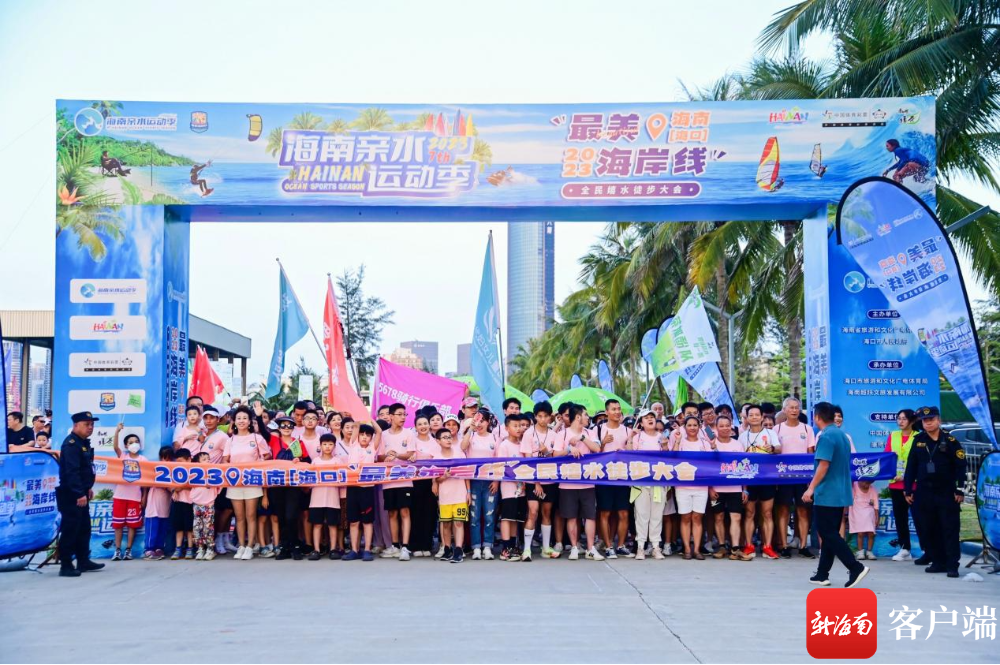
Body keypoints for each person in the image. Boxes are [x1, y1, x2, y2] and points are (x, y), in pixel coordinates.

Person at [803, 402, 870, 588]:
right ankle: (822, 574)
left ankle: (855, 567)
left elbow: (823, 465)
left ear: (817, 417)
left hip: (827, 492)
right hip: (840, 491)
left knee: (827, 532)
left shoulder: (826, 436)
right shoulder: (842, 435)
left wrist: (811, 488)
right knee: (830, 533)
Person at [904, 406, 966, 578]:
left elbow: (961, 466)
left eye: (931, 419)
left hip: (946, 492)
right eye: (925, 420)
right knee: (929, 527)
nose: (928, 423)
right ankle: (938, 562)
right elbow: (911, 466)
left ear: (939, 420)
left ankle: (952, 564)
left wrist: (960, 489)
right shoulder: (919, 440)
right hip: (924, 492)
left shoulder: (951, 441)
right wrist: (908, 489)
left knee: (949, 528)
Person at [57, 412, 105, 577]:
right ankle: (65, 565)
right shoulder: (71, 444)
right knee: (71, 529)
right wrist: (79, 493)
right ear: (76, 425)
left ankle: (83, 560)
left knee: (84, 528)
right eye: (86, 424)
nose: (90, 427)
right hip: (71, 494)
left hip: (81, 492)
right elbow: (72, 472)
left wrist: (87, 488)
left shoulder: (83, 443)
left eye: (92, 425)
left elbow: (86, 469)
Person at [554, 405, 604, 561]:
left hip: (587, 482)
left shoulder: (590, 433)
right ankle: (574, 547)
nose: (588, 418)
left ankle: (590, 548)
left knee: (590, 516)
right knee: (571, 516)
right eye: (586, 415)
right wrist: (569, 449)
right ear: (577, 417)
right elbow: (555, 454)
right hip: (567, 482)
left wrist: (582, 438)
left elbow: (597, 449)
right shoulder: (562, 434)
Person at [222, 405, 270, 560]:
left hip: (252, 481)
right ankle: (241, 546)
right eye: (238, 418)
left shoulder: (257, 438)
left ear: (250, 421)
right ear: (234, 421)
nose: (241, 421)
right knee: (239, 516)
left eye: (244, 418)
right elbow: (225, 460)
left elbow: (267, 456)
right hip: (235, 483)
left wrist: (258, 463)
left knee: (251, 515)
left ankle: (250, 546)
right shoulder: (230, 440)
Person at [774, 397, 817, 559]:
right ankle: (784, 545)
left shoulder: (807, 429)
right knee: (783, 510)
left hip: (802, 477)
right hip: (783, 476)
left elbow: (811, 454)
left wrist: (810, 478)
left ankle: (803, 546)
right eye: (790, 407)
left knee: (803, 511)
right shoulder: (777, 429)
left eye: (796, 407)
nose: (794, 410)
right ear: (784, 410)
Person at [738, 405, 781, 561]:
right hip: (749, 479)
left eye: (757, 414)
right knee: (749, 513)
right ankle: (749, 545)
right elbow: (739, 460)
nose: (754, 417)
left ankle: (767, 547)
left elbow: (779, 449)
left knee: (767, 513)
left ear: (762, 417)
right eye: (751, 415)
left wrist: (772, 449)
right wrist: (743, 487)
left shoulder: (770, 433)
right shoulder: (742, 436)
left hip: (767, 478)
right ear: (747, 417)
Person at [672, 415, 713, 560]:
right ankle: (687, 549)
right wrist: (677, 441)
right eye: (689, 425)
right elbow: (673, 457)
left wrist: (713, 445)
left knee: (697, 517)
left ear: (699, 427)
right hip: (682, 486)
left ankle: (696, 549)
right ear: (685, 427)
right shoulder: (681, 441)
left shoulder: (704, 443)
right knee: (685, 517)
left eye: (695, 425)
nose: (692, 428)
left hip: (701, 485)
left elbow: (712, 462)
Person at [629, 409, 668, 560]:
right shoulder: (638, 437)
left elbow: (668, 458)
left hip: (658, 481)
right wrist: (630, 437)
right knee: (641, 515)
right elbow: (629, 455)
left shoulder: (662, 437)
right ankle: (640, 547)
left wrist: (665, 446)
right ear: (641, 422)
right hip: (641, 482)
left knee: (656, 516)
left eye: (652, 417)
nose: (650, 419)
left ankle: (656, 547)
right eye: (646, 418)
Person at [595, 399, 631, 558]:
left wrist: (625, 450)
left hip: (622, 477)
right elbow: (593, 453)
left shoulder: (627, 430)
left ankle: (621, 545)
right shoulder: (598, 429)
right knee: (605, 513)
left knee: (623, 513)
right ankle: (608, 546)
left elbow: (632, 452)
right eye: (613, 409)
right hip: (604, 477)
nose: (617, 412)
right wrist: (603, 443)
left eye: (618, 409)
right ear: (607, 412)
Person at [379, 403, 415, 561]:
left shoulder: (409, 433)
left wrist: (397, 455)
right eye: (399, 414)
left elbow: (411, 454)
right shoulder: (383, 435)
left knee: (405, 511)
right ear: (391, 416)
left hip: (405, 479)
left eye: (404, 414)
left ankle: (405, 547)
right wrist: (387, 455)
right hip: (388, 480)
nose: (403, 417)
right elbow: (379, 456)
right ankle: (394, 545)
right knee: (392, 512)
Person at [461, 408, 498, 560]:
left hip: (490, 481)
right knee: (474, 516)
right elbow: (462, 447)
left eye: (483, 421)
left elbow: (499, 461)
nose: (480, 424)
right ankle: (476, 547)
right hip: (474, 481)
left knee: (489, 516)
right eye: (478, 420)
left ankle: (487, 546)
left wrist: (496, 481)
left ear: (488, 422)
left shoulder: (494, 438)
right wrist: (470, 429)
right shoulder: (471, 436)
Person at [525, 401, 560, 559]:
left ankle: (546, 548)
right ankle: (527, 549)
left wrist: (546, 452)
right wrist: (536, 483)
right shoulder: (528, 434)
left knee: (547, 513)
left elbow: (555, 458)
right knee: (533, 512)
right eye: (539, 416)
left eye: (546, 416)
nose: (543, 419)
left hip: (550, 480)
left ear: (550, 417)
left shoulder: (554, 435)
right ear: (535, 417)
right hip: (533, 481)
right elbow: (528, 461)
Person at [710, 415, 748, 560]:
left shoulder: (738, 444)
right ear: (716, 428)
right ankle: (721, 547)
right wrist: (710, 488)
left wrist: (745, 489)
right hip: (717, 488)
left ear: (731, 426)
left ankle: (735, 548)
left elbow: (744, 467)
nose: (725, 428)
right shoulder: (711, 444)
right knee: (718, 517)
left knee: (736, 517)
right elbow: (706, 467)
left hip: (735, 487)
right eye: (721, 426)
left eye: (727, 425)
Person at [110, 422, 148, 561]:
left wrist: (144, 496)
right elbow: (115, 447)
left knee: (133, 525)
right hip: (120, 496)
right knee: (118, 525)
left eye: (136, 442)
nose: (134, 444)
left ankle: (128, 550)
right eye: (131, 442)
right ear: (126, 446)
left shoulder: (143, 460)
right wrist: (117, 431)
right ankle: (117, 550)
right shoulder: (123, 457)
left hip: (135, 497)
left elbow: (146, 480)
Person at [344, 422, 381, 562]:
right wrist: (359, 420)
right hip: (352, 487)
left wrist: (369, 418)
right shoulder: (353, 445)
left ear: (371, 438)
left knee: (367, 521)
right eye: (362, 434)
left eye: (368, 435)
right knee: (354, 521)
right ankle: (354, 550)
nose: (364, 437)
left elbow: (379, 431)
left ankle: (367, 550)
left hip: (367, 488)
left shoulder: (372, 448)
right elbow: (356, 426)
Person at [885, 408, 919, 561]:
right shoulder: (893, 435)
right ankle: (905, 549)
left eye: (904, 419)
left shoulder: (919, 437)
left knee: (920, 518)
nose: (900, 421)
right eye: (898, 418)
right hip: (896, 484)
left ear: (912, 421)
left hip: (913, 485)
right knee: (900, 518)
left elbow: (920, 461)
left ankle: (928, 549)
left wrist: (906, 477)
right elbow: (887, 457)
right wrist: (891, 474)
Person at [432, 427, 468, 563]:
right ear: (438, 441)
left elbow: (467, 474)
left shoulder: (460, 454)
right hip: (445, 496)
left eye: (449, 437)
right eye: (445, 438)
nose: (448, 440)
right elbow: (437, 479)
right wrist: (445, 476)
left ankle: (458, 550)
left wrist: (469, 492)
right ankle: (447, 549)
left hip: (460, 493)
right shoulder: (436, 458)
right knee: (446, 524)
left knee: (458, 522)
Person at [497, 414, 528, 561]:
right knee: (507, 517)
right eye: (515, 426)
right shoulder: (504, 445)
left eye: (520, 426)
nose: (518, 429)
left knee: (515, 518)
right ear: (507, 428)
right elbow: (502, 467)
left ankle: (513, 545)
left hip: (522, 487)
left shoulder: (523, 445)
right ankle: (505, 548)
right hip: (509, 487)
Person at [308, 434, 344, 561]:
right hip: (316, 499)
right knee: (317, 524)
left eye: (330, 444)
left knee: (332, 525)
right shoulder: (315, 461)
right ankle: (316, 550)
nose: (327, 447)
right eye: (324, 444)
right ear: (320, 446)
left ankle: (333, 549)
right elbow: (309, 478)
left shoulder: (338, 461)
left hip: (332, 499)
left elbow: (343, 478)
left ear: (334, 446)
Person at [411, 414, 440, 557]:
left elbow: (437, 464)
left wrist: (435, 482)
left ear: (429, 425)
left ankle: (427, 545)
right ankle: (416, 545)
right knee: (416, 513)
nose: (423, 426)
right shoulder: (412, 441)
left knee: (429, 513)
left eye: (425, 423)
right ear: (415, 427)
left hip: (430, 482)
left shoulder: (435, 443)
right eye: (420, 424)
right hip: (415, 481)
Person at [143, 447, 174, 560]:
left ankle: (159, 548)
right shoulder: (155, 467)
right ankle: (149, 549)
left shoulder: (174, 469)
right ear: (160, 457)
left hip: (165, 502)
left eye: (169, 458)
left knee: (163, 526)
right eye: (164, 458)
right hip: (154, 501)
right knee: (153, 526)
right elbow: (149, 482)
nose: (166, 461)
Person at [191, 451, 220, 560]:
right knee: (197, 528)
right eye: (204, 459)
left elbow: (220, 485)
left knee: (208, 528)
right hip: (197, 504)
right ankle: (200, 549)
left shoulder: (214, 473)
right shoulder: (193, 473)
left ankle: (210, 549)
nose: (207, 461)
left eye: (208, 459)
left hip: (209, 504)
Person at [170, 448, 195, 560]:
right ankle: (178, 548)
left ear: (189, 459)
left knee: (189, 528)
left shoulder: (194, 471)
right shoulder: (175, 471)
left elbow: (194, 485)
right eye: (177, 461)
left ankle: (190, 548)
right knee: (178, 527)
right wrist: (174, 490)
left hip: (190, 502)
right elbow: (170, 485)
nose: (178, 464)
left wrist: (180, 487)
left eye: (181, 461)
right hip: (178, 502)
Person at [850, 480, 879, 561]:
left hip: (869, 514)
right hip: (857, 513)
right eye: (865, 482)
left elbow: (876, 505)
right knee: (860, 533)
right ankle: (860, 552)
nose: (866, 485)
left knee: (871, 533)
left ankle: (869, 551)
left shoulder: (873, 490)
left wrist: (877, 518)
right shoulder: (854, 486)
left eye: (869, 483)